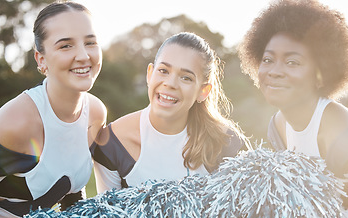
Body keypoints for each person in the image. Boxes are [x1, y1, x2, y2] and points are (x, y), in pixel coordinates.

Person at [238, 0, 348, 218]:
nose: (274, 71)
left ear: (321, 76)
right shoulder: (278, 127)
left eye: (292, 62)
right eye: (267, 59)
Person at [92, 32, 250, 192]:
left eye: (186, 78)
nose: (170, 83)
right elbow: (106, 215)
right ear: (149, 74)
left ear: (203, 91)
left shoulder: (227, 142)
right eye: (163, 71)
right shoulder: (112, 142)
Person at [0, 1, 106, 218]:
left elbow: (72, 193)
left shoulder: (96, 113)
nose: (83, 55)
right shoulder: (17, 121)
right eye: (66, 46)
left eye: (90, 42)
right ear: (41, 59)